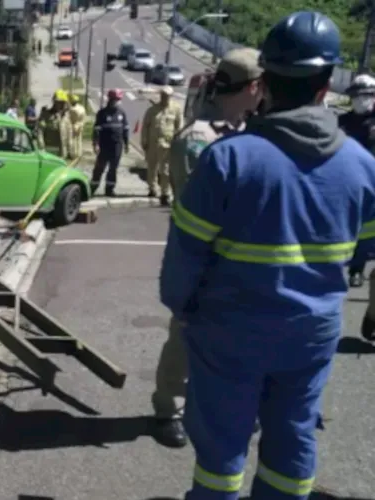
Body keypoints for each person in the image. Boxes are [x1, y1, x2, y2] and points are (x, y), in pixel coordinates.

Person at [160, 11, 375, 500]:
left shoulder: (229, 159)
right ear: (327, 86)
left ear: (268, 83)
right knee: (293, 436)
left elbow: (184, 258)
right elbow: (365, 246)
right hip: (312, 333)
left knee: (221, 450)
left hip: (230, 331)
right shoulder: (363, 166)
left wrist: (184, 309)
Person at [151, 47, 264, 450]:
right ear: (252, 87)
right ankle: (170, 410)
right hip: (201, 257)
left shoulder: (246, 131)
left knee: (234, 338)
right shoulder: (200, 138)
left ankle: (218, 406)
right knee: (186, 335)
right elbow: (199, 207)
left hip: (237, 258)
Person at [340, 74, 375, 288]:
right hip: (347, 180)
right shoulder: (343, 122)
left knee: (367, 231)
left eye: (366, 95)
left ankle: (357, 270)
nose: (360, 100)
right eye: (356, 96)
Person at [141, 86, 183, 206]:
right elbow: (145, 127)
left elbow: (179, 127)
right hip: (153, 143)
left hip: (167, 145)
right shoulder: (152, 110)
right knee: (152, 168)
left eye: (167, 96)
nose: (165, 98)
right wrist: (144, 141)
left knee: (165, 171)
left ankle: (165, 193)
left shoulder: (176, 109)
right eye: (163, 96)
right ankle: (152, 189)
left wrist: (177, 142)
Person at [90, 89, 129, 196]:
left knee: (113, 169)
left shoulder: (122, 113)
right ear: (109, 99)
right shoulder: (102, 113)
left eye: (118, 100)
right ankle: (92, 188)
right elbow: (96, 130)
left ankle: (109, 189)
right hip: (104, 146)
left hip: (117, 146)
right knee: (99, 168)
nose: (116, 102)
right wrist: (96, 144)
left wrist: (126, 144)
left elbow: (125, 129)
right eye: (114, 99)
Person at [68, 95, 87, 159]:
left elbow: (70, 118)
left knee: (73, 140)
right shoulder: (82, 108)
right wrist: (82, 124)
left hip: (73, 124)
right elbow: (84, 117)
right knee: (79, 139)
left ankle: (73, 154)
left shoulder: (72, 109)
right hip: (80, 124)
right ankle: (79, 153)